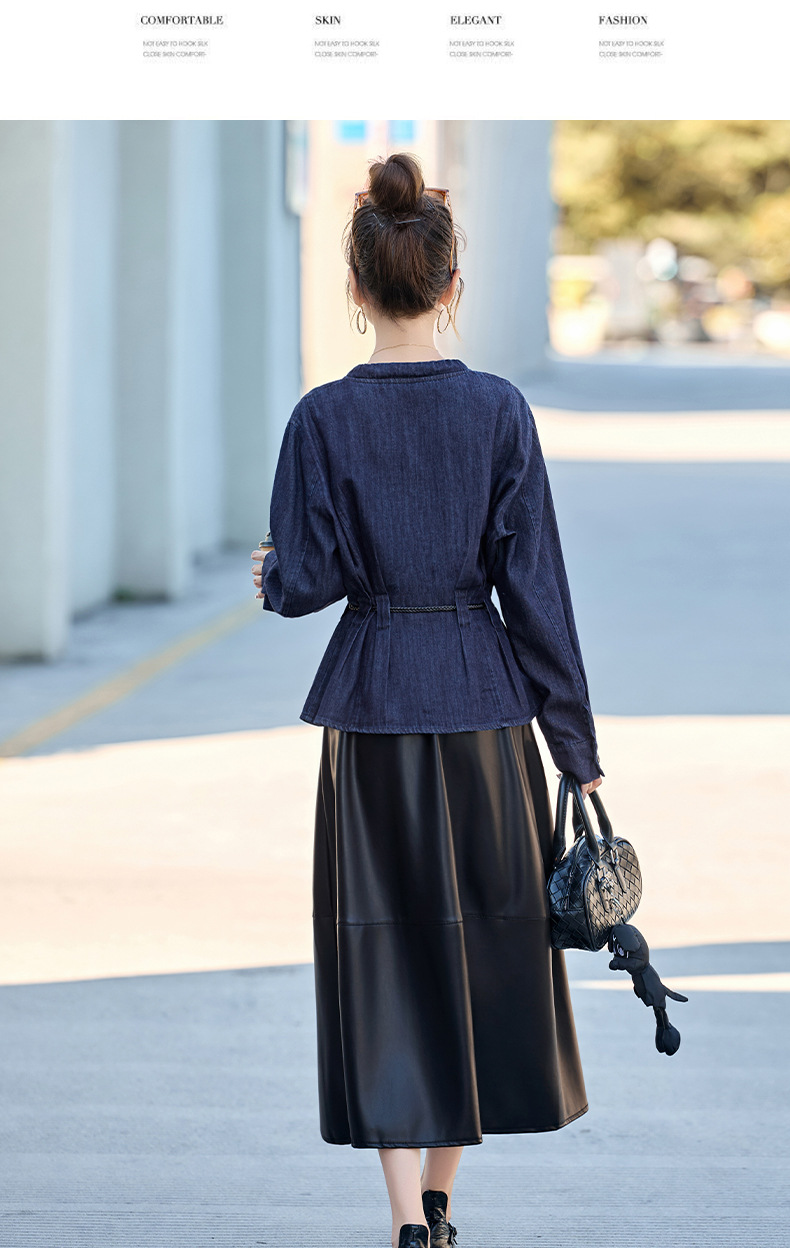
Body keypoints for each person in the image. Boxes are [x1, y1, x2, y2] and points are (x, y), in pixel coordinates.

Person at [251, 151, 603, 1248]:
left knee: (385, 954)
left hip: (370, 712)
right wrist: (577, 750)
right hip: (486, 712)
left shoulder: (321, 419)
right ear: (452, 284)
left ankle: (407, 1217)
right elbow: (536, 594)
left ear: (356, 288)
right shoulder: (498, 412)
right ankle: (444, 1202)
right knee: (484, 948)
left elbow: (306, 582)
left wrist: (272, 574)